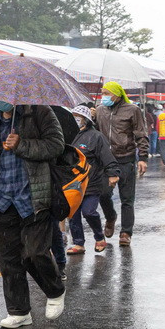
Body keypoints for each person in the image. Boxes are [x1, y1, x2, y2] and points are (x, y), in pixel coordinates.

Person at [0, 100, 66, 328]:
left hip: (34, 195)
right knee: (9, 259)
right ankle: (18, 311)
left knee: (35, 253)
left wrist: (22, 144)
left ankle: (54, 290)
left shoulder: (41, 113)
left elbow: (56, 145)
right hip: (3, 198)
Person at [94, 81, 149, 247]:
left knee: (127, 198)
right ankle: (110, 217)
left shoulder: (133, 110)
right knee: (103, 194)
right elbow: (94, 132)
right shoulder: (99, 110)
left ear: (117, 94)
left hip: (126, 158)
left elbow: (141, 134)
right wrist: (90, 117)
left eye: (107, 93)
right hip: (105, 160)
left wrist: (143, 158)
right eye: (102, 93)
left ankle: (126, 232)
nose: (104, 97)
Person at [65, 106, 117, 255]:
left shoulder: (96, 137)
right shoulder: (69, 135)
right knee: (73, 214)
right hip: (73, 183)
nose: (75, 119)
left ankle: (99, 237)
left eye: (78, 116)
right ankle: (78, 243)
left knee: (89, 212)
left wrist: (113, 173)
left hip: (91, 182)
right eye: (73, 116)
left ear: (86, 119)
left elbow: (107, 157)